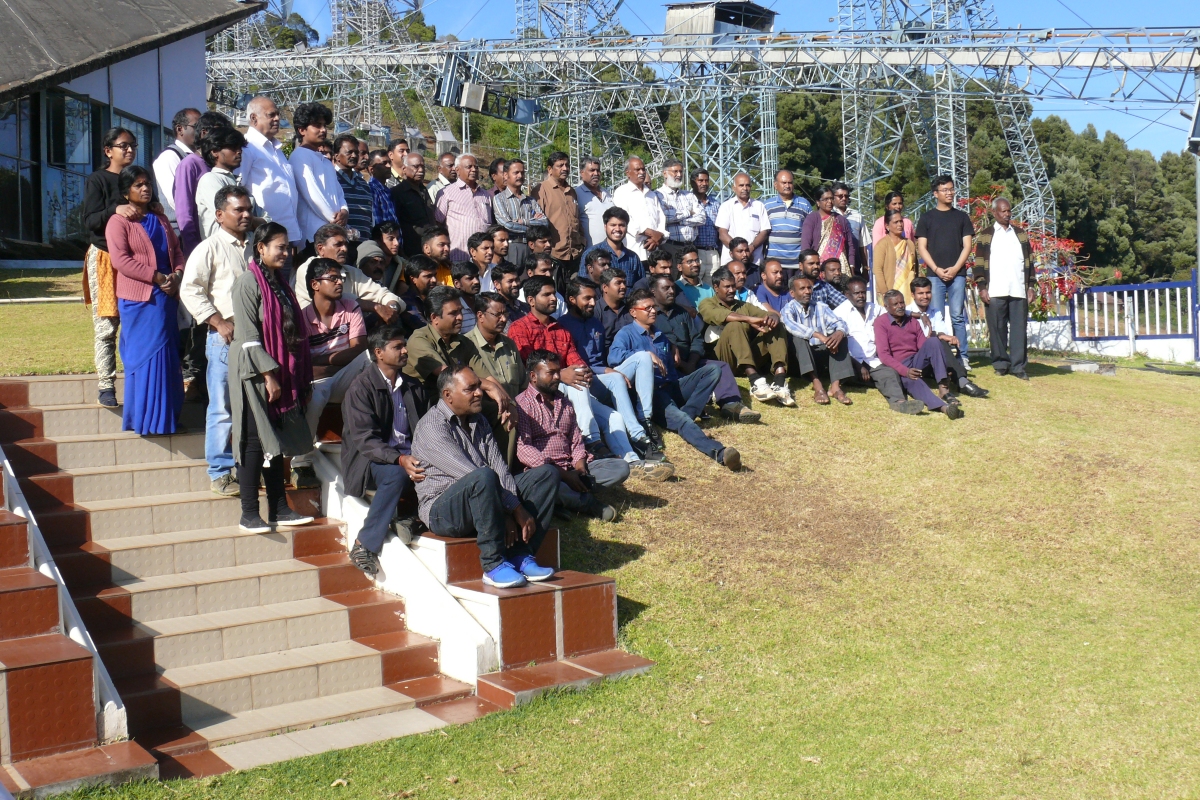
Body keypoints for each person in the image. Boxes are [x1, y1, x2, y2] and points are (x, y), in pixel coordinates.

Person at [412, 365, 558, 588]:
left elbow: (500, 468)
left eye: (478, 387)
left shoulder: (478, 420)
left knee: (546, 475)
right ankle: (492, 565)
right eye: (470, 389)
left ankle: (520, 555)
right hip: (443, 511)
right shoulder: (431, 427)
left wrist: (511, 506)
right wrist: (513, 510)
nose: (479, 393)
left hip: (484, 496)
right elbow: (470, 474)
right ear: (448, 396)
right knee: (482, 477)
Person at [229, 222, 318, 531]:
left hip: (280, 372)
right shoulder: (247, 283)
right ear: (261, 248)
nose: (286, 252)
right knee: (255, 441)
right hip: (254, 372)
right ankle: (249, 513)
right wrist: (270, 375)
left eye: (288, 247)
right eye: (280, 247)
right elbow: (249, 337)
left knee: (276, 441)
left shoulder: (281, 283)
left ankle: (279, 509)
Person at [611, 290, 741, 471]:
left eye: (653, 307)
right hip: (652, 395)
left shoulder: (660, 335)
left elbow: (671, 368)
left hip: (671, 385)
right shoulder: (626, 334)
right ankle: (719, 453)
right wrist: (642, 355)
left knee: (712, 370)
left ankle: (687, 412)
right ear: (633, 312)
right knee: (683, 421)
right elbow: (613, 358)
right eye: (646, 308)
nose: (653, 311)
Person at [181, 185, 255, 496]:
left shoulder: (256, 247)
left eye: (248, 209)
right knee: (222, 407)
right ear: (220, 214)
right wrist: (217, 321)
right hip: (223, 340)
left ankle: (250, 469)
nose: (246, 215)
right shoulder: (209, 248)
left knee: (253, 406)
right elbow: (190, 289)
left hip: (257, 339)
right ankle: (221, 472)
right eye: (239, 210)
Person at [342, 326, 431, 576]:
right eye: (397, 347)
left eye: (404, 345)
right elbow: (365, 441)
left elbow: (426, 429)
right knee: (396, 475)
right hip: (370, 463)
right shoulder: (361, 388)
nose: (404, 351)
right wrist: (400, 459)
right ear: (379, 352)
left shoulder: (413, 386)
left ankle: (412, 518)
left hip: (409, 457)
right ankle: (364, 545)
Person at [558, 277, 671, 466]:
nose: (593, 303)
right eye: (587, 299)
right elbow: (575, 366)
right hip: (580, 381)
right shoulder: (563, 326)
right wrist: (608, 370)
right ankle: (638, 438)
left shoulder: (595, 323)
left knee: (643, 356)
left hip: (600, 377)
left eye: (594, 298)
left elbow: (606, 357)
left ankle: (645, 421)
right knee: (616, 379)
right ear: (571, 300)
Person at [106, 165, 186, 434]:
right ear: (126, 191)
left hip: (166, 297)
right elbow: (121, 261)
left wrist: (176, 274)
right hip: (139, 299)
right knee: (143, 358)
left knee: (167, 356)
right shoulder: (119, 222)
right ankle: (144, 421)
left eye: (147, 183)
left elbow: (176, 250)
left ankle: (167, 420)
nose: (145, 188)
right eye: (138, 185)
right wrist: (156, 277)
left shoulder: (160, 218)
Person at [517, 350, 630, 522]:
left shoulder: (564, 401)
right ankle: (587, 503)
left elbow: (576, 439)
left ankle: (564, 499)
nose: (557, 377)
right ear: (533, 376)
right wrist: (564, 475)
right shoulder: (522, 405)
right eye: (551, 373)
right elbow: (524, 449)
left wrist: (579, 468)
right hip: (548, 473)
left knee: (621, 468)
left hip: (571, 467)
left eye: (558, 371)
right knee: (547, 484)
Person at [289, 258, 370, 488]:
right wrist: (335, 360)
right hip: (318, 381)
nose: (339, 282)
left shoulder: (350, 306)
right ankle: (301, 463)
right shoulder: (301, 317)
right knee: (315, 397)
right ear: (315, 284)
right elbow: (303, 363)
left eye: (341, 278)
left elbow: (359, 347)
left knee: (371, 360)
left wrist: (326, 360)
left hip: (346, 376)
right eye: (333, 278)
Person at [649, 275, 759, 423]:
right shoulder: (650, 316)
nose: (671, 291)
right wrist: (681, 364)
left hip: (691, 361)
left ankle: (731, 405)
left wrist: (692, 363)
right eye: (665, 288)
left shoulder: (682, 312)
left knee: (721, 366)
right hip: (670, 366)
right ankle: (694, 408)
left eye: (673, 288)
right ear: (653, 292)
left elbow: (696, 339)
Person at [82, 127, 139, 407]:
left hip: (136, 260)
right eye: (123, 145)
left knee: (135, 322)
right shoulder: (97, 180)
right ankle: (106, 386)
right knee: (106, 324)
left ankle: (138, 383)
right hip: (105, 257)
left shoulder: (137, 178)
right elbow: (90, 221)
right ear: (108, 151)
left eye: (132, 145)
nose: (129, 150)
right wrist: (114, 210)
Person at [698, 267, 792, 407]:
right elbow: (719, 316)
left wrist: (773, 318)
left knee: (775, 325)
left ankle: (779, 380)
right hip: (723, 359)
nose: (731, 290)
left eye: (733, 286)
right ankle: (755, 381)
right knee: (734, 325)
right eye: (727, 287)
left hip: (747, 355)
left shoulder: (744, 306)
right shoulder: (707, 303)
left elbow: (766, 315)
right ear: (716, 288)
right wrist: (749, 319)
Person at [833, 278, 924, 414]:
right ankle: (856, 380)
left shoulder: (874, 308)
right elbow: (838, 345)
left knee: (890, 373)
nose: (861, 296)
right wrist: (859, 365)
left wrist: (918, 315)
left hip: (873, 360)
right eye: (857, 293)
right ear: (847, 294)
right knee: (855, 374)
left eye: (863, 292)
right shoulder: (839, 313)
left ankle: (899, 403)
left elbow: (895, 310)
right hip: (850, 362)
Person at [915, 175, 975, 372]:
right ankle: (941, 355)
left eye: (951, 189)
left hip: (957, 274)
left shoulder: (962, 217)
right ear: (935, 194)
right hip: (934, 275)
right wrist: (937, 269)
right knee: (936, 316)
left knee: (958, 315)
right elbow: (922, 247)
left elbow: (967, 246)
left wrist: (956, 268)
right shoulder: (926, 218)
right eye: (945, 190)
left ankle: (963, 356)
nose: (949, 193)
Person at [873, 290, 963, 419]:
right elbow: (884, 355)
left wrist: (939, 364)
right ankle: (945, 408)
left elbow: (923, 346)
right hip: (899, 366)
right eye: (895, 304)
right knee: (914, 381)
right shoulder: (881, 323)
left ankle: (944, 389)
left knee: (933, 341)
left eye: (902, 302)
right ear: (886, 307)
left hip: (916, 360)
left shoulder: (912, 321)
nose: (900, 306)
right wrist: (905, 371)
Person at [974, 196, 1035, 380]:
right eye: (1003, 210)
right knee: (997, 328)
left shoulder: (1021, 234)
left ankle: (1018, 367)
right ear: (994, 212)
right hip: (995, 289)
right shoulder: (986, 235)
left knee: (1019, 330)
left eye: (1009, 210)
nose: (1007, 214)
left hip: (1018, 289)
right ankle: (1000, 363)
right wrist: (982, 287)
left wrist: (1031, 286)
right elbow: (978, 264)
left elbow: (1030, 263)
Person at [292, 224, 402, 325]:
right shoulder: (307, 269)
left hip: (348, 333)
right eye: (338, 245)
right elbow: (335, 301)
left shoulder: (351, 272)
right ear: (321, 249)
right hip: (316, 336)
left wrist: (391, 309)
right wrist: (375, 307)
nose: (344, 249)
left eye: (345, 244)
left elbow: (382, 293)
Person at [464, 291, 526, 462]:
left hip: (516, 407)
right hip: (487, 413)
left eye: (505, 313)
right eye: (497, 314)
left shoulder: (509, 344)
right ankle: (505, 476)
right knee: (506, 418)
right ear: (480, 315)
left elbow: (523, 384)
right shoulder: (466, 345)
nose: (504, 319)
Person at [908, 277, 988, 398]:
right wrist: (939, 336)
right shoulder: (906, 312)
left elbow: (941, 333)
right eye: (920, 293)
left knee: (942, 341)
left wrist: (947, 337)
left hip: (933, 358)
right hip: (916, 360)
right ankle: (962, 382)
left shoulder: (935, 312)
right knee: (936, 341)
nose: (925, 296)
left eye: (928, 292)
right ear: (912, 295)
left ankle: (961, 380)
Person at [781, 274, 853, 406]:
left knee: (840, 337)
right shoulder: (788, 309)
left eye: (809, 288)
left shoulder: (821, 306)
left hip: (821, 351)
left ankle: (835, 387)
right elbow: (792, 326)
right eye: (802, 288)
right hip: (800, 358)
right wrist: (820, 336)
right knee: (798, 338)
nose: (807, 291)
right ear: (792, 293)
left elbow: (839, 322)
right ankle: (817, 384)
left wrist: (838, 333)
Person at [240, 96, 301, 248]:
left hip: (287, 235)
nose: (277, 118)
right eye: (271, 115)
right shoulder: (247, 148)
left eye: (278, 114)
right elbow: (238, 189)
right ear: (254, 118)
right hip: (265, 237)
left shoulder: (276, 150)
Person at [290, 103, 348, 250]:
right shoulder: (300, 156)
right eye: (317, 125)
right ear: (302, 130)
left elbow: (339, 192)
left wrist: (344, 210)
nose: (323, 130)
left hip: (333, 233)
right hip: (314, 236)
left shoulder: (325, 161)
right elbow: (312, 195)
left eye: (324, 125)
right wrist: (334, 221)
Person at [174, 111, 231, 257]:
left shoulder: (218, 164)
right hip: (202, 248)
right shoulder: (189, 164)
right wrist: (194, 250)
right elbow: (184, 213)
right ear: (204, 133)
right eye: (220, 135)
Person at [531, 151, 584, 289]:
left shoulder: (571, 191)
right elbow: (537, 223)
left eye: (567, 165)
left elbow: (577, 219)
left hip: (574, 254)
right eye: (560, 165)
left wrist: (582, 242)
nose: (565, 168)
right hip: (554, 254)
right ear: (550, 169)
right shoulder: (541, 190)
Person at [195, 127, 256, 241]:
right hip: (222, 252)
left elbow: (266, 218)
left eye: (240, 148)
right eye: (233, 147)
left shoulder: (237, 182)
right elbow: (231, 220)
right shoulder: (210, 180)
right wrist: (256, 221)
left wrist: (255, 221)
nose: (239, 151)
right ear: (215, 152)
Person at [435, 154, 493, 262]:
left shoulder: (486, 195)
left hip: (483, 258)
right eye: (469, 167)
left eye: (476, 167)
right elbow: (438, 223)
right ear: (457, 170)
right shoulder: (447, 193)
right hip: (459, 256)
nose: (474, 170)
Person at [492, 157, 546, 270]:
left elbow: (545, 223)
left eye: (522, 172)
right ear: (506, 175)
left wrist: (524, 221)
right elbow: (507, 225)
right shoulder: (499, 199)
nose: (520, 176)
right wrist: (533, 225)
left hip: (532, 248)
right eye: (516, 173)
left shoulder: (530, 200)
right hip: (512, 247)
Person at [153, 108, 200, 231]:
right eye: (197, 127)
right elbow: (176, 200)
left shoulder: (199, 157)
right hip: (180, 230)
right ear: (180, 129)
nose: (202, 132)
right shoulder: (169, 157)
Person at [612, 157, 666, 261]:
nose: (642, 172)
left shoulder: (651, 194)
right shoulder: (621, 192)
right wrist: (649, 232)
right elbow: (623, 219)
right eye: (637, 170)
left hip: (654, 250)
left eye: (643, 169)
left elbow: (661, 218)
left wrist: (658, 235)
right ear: (628, 173)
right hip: (634, 250)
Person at [762, 169, 811, 280]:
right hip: (774, 264)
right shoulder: (767, 205)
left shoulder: (804, 204)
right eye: (784, 183)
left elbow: (810, 232)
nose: (787, 186)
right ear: (775, 185)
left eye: (790, 183)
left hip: (797, 263)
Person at [801, 185, 858, 279]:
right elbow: (806, 245)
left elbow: (850, 245)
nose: (830, 202)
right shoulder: (812, 219)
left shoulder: (841, 220)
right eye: (826, 199)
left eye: (831, 198)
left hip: (841, 268)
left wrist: (851, 266)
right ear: (818, 202)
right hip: (820, 268)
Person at [578, 206, 644, 286]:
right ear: (605, 226)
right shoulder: (590, 253)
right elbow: (582, 286)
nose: (617, 229)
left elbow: (641, 287)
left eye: (622, 225)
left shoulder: (633, 258)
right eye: (613, 225)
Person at [715, 172, 770, 266]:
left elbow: (764, 231)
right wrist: (738, 251)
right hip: (731, 262)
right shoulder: (726, 206)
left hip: (754, 260)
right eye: (741, 185)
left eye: (747, 185)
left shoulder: (759, 206)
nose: (745, 188)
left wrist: (751, 248)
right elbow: (722, 234)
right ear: (734, 188)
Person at [657, 159, 705, 258]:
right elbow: (663, 218)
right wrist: (688, 212)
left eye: (681, 171)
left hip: (690, 246)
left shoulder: (689, 195)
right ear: (665, 173)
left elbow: (702, 218)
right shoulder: (657, 195)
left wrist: (680, 221)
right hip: (670, 246)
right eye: (675, 171)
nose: (679, 175)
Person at [392, 152, 436, 258]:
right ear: (404, 169)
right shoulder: (397, 192)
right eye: (416, 167)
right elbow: (395, 224)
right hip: (411, 251)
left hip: (429, 250)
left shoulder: (424, 190)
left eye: (422, 167)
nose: (420, 170)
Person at [332, 134, 374, 246]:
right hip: (340, 244)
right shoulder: (331, 180)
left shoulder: (363, 184)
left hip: (363, 247)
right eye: (349, 152)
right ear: (336, 156)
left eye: (356, 152)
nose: (354, 155)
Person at [873, 208, 917, 306]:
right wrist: (885, 293)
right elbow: (877, 269)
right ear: (887, 226)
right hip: (889, 291)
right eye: (896, 222)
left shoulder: (909, 243)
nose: (900, 224)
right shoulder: (882, 244)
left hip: (908, 291)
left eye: (901, 221)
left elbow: (915, 268)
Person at [689, 168, 722, 283]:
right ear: (693, 182)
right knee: (695, 284)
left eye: (706, 181)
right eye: (700, 180)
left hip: (713, 253)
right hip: (696, 252)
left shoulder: (716, 204)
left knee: (713, 286)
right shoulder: (687, 201)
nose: (704, 184)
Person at [575, 157, 613, 249]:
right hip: (591, 252)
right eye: (592, 170)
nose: (596, 174)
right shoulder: (576, 194)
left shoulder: (607, 193)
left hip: (611, 250)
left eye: (598, 170)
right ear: (582, 173)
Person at [517, 253, 568, 318]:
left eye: (550, 270)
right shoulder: (519, 298)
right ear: (530, 273)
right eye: (544, 271)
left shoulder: (558, 297)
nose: (548, 274)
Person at [595, 268, 633, 352]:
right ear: (605, 288)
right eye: (618, 283)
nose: (623, 286)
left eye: (624, 283)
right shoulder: (596, 310)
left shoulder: (630, 309)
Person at [399, 256, 440, 333]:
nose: (434, 280)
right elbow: (425, 328)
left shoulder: (435, 298)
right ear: (413, 279)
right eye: (428, 276)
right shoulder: (406, 302)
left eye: (435, 275)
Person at [831, 182, 867, 268]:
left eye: (846, 196)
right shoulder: (829, 215)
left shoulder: (857, 216)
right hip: (834, 268)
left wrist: (865, 267)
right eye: (840, 196)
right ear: (833, 197)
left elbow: (863, 245)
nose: (843, 198)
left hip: (855, 267)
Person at [365, 148, 399, 228]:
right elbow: (377, 223)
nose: (389, 166)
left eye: (389, 162)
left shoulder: (387, 191)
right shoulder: (372, 189)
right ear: (372, 169)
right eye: (384, 163)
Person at [491, 262, 530, 329]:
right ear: (497, 284)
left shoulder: (526, 308)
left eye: (517, 280)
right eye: (510, 281)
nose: (515, 284)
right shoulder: (493, 310)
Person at [675, 245, 713, 309]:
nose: (695, 264)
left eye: (697, 260)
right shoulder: (675, 288)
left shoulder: (709, 289)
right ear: (679, 267)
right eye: (690, 262)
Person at [452, 262, 482, 334]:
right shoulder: (454, 309)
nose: (476, 281)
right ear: (457, 283)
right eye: (470, 278)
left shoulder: (483, 303)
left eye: (477, 277)